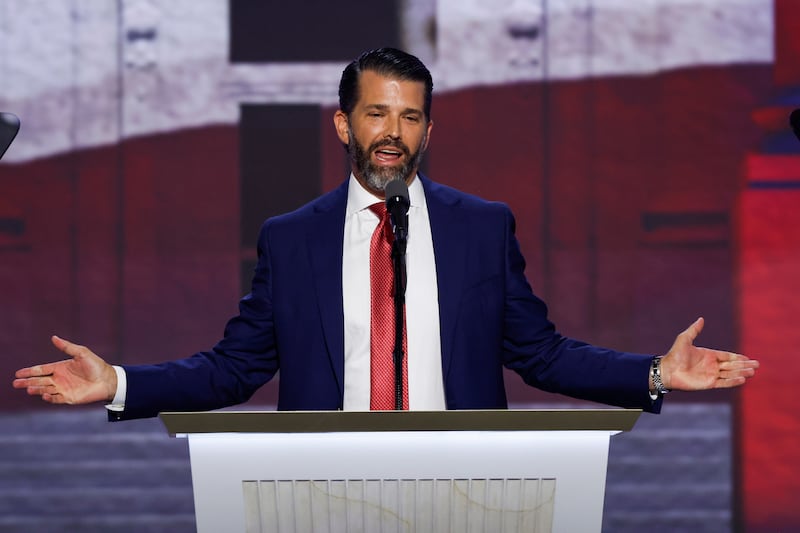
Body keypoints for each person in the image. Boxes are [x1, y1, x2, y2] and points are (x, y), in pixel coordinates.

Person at [13, 48, 758, 419]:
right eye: (377, 113)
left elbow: (541, 354)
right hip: (322, 490)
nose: (393, 132)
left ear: (428, 128)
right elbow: (232, 369)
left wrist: (654, 373)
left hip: (466, 489)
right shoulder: (291, 238)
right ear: (344, 123)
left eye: (410, 116)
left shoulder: (483, 227)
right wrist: (119, 383)